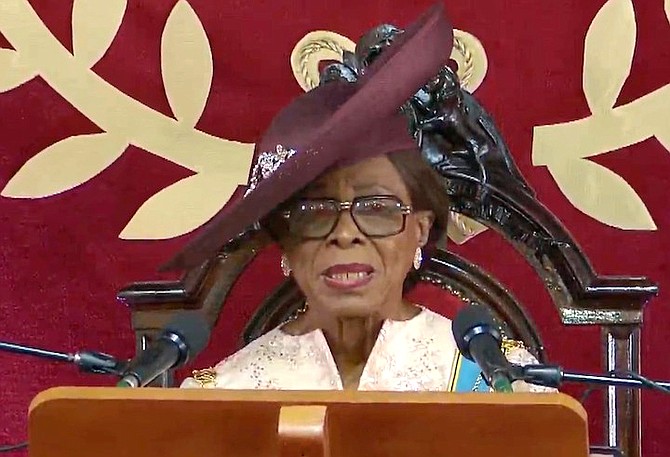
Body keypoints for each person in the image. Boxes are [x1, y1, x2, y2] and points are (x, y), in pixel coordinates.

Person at [166, 4, 551, 393]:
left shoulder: (508, 388)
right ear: (286, 242)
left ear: (420, 230)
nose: (346, 234)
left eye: (377, 208)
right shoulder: (222, 397)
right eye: (315, 211)